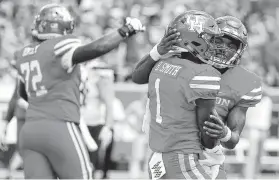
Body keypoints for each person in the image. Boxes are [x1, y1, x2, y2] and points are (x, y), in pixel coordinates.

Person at [11, 3, 144, 179]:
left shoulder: (24, 53)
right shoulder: (59, 47)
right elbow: (95, 49)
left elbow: (23, 93)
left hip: (30, 130)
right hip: (59, 125)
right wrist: (125, 31)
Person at [132, 15, 263, 179]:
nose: (224, 48)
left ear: (240, 50)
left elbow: (232, 141)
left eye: (231, 45)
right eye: (220, 40)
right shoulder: (187, 62)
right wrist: (158, 50)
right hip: (178, 151)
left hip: (208, 156)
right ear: (207, 38)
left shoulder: (247, 82)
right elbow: (138, 77)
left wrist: (224, 133)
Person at [134, 10, 225, 179]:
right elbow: (207, 130)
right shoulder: (203, 73)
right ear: (194, 38)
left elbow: (137, 75)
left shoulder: (161, 63)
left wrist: (157, 51)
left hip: (158, 157)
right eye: (209, 39)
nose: (213, 45)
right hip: (183, 159)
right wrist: (214, 148)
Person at [80, 60, 115, 179]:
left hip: (94, 124)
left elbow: (109, 103)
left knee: (90, 164)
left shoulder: (99, 77)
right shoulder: (78, 73)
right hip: (79, 123)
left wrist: (108, 126)